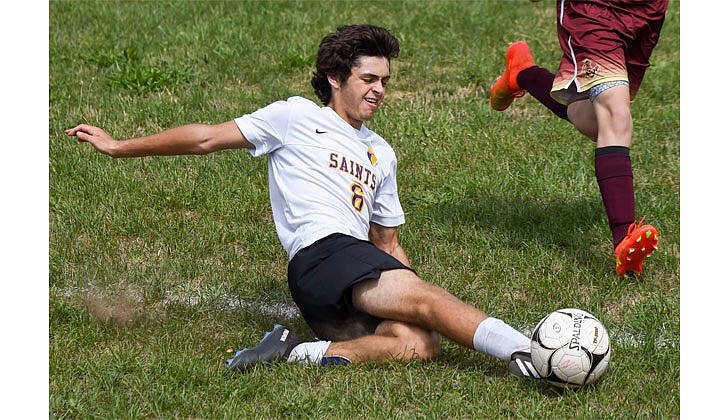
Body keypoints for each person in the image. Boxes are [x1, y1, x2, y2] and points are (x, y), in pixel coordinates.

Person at [66, 24, 541, 378]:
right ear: (336, 77)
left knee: (417, 342)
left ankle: (295, 352)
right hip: (323, 253)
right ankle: (532, 356)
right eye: (369, 79)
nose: (379, 90)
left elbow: (389, 243)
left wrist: (408, 284)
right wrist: (119, 145)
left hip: (345, 271)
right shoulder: (294, 117)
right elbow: (206, 138)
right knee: (427, 303)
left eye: (385, 81)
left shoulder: (381, 152)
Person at [489, 0, 665, 277]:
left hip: (645, 11)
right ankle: (624, 240)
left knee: (595, 121)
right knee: (616, 119)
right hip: (595, 10)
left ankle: (521, 73)